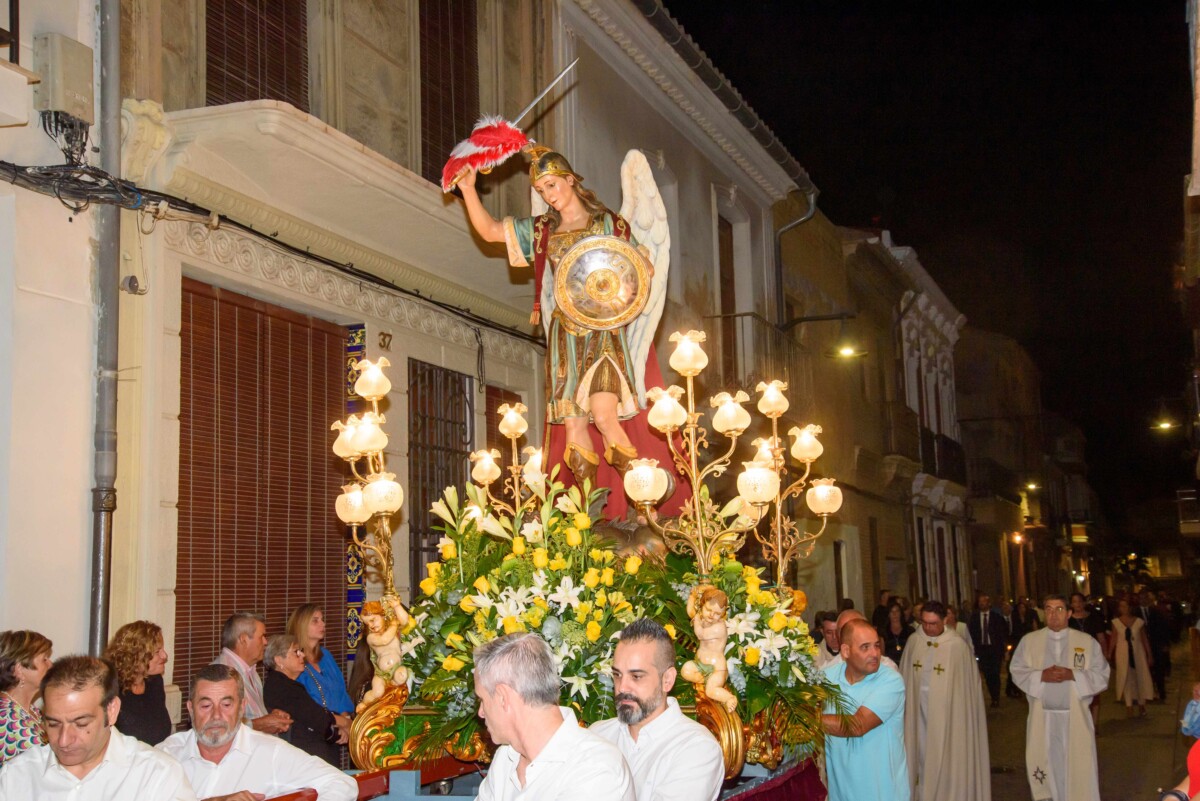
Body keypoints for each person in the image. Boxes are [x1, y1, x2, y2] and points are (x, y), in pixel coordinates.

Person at [456, 149, 680, 523]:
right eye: (542, 189)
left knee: (605, 416)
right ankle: (588, 513)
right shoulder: (544, 229)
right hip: (564, 337)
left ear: (571, 179)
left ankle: (645, 506)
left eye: (552, 184)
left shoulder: (608, 223)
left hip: (604, 332)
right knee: (574, 424)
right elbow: (492, 232)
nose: (548, 194)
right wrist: (468, 189)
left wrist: (628, 275)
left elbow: (642, 269)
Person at [0, 655, 195, 800]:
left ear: (112, 710)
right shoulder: (17, 775)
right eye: (53, 724)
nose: (64, 740)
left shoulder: (156, 775)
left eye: (81, 723)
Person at [472, 632, 634, 800]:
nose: (481, 712)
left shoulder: (594, 768)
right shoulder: (505, 757)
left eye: (482, 700)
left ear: (502, 697)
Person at [159, 664, 356, 801]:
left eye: (226, 705)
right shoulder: (168, 755)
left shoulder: (270, 753)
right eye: (205, 705)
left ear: (242, 707)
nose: (216, 715)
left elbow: (341, 783)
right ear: (191, 709)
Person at [590, 619, 724, 801]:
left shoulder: (697, 748)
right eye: (617, 675)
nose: (622, 687)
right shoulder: (597, 734)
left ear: (667, 680)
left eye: (636, 676)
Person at [1010, 594, 1109, 801]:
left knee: (1077, 767)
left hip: (1075, 719)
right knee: (1047, 765)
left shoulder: (1086, 641)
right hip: (1042, 718)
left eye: (1059, 609)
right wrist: (1040, 676)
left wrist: (1073, 674)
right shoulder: (1030, 641)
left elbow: (1102, 675)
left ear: (1069, 613)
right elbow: (1017, 670)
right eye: (1048, 609)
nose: (1053, 615)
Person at [899, 601, 991, 800]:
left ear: (945, 620)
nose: (929, 628)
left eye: (933, 623)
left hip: (950, 716)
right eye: (925, 623)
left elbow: (968, 692)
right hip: (918, 713)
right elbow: (904, 679)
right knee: (921, 755)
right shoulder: (914, 641)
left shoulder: (958, 646)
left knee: (949, 756)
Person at [820, 618, 909, 801]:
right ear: (846, 651)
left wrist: (807, 718)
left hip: (883, 793)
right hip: (841, 793)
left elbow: (857, 725)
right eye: (865, 647)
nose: (875, 653)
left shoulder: (890, 681)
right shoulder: (827, 678)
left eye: (876, 646)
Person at [263, 634, 349, 766]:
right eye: (296, 652)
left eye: (301, 651)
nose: (302, 655)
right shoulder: (281, 686)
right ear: (279, 660)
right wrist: (346, 724)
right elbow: (317, 718)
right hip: (304, 759)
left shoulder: (284, 684)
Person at [213, 611, 292, 735]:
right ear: (243, 639)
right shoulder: (221, 673)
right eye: (262, 636)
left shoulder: (250, 669)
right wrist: (259, 725)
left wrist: (271, 716)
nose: (266, 642)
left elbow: (250, 715)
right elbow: (218, 725)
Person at [104, 620, 172, 745]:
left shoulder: (154, 682)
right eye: (157, 652)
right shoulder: (110, 690)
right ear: (135, 656)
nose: (165, 656)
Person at [287, 604, 355, 718]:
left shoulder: (325, 655)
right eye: (315, 621)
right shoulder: (293, 659)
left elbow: (341, 690)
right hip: (315, 725)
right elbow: (302, 703)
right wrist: (336, 722)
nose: (323, 624)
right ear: (301, 626)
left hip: (342, 721)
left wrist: (345, 719)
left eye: (322, 620)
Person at [680, 585, 737, 712]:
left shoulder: (719, 627)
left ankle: (729, 698)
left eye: (717, 613)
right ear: (702, 605)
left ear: (723, 613)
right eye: (708, 610)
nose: (712, 615)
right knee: (685, 671)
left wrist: (696, 620)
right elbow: (691, 612)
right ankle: (702, 681)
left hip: (717, 669)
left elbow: (700, 634)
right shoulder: (702, 618)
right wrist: (692, 596)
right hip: (700, 664)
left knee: (711, 691)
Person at [0, 629, 52, 765]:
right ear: (19, 670)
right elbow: (39, 767)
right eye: (44, 659)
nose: (50, 664)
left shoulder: (31, 711)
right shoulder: (7, 717)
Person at [1106, 597, 1154, 717]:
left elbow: (1144, 639)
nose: (1123, 608)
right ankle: (1129, 705)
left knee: (1140, 677)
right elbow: (1113, 639)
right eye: (1121, 606)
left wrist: (1149, 655)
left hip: (1137, 653)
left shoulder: (1138, 622)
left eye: (1125, 606)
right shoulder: (1116, 622)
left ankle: (1142, 703)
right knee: (1126, 678)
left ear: (1131, 607)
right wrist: (1109, 653)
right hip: (1122, 653)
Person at [967, 593, 1010, 708]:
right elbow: (971, 634)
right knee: (987, 674)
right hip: (982, 649)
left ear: (988, 603)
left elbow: (1003, 633)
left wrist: (1005, 649)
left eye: (984, 601)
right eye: (980, 602)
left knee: (995, 673)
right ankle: (992, 694)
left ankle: (996, 697)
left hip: (995, 649)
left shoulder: (996, 617)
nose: (982, 604)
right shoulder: (974, 618)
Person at [1138, 590, 1170, 701]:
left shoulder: (1156, 611)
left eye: (1145, 598)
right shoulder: (1136, 613)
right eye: (1141, 598)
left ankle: (1161, 692)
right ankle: (1149, 693)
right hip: (1141, 645)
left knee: (1159, 669)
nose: (1143, 600)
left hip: (1156, 644)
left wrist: (1165, 644)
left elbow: (1164, 628)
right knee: (1146, 670)